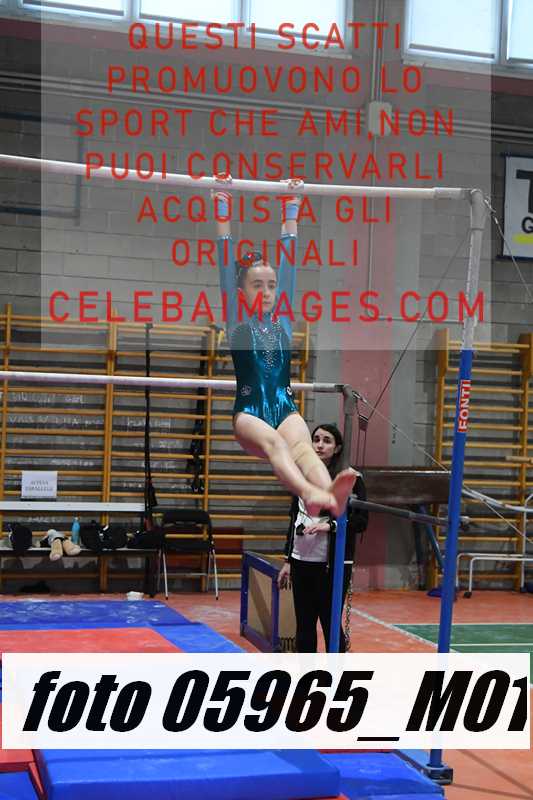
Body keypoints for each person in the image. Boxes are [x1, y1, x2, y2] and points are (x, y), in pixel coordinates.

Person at [211, 175, 355, 517]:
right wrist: (222, 204)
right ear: (240, 292)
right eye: (256, 285)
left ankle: (330, 496)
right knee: (277, 444)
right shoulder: (237, 320)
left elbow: (289, 267)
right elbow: (224, 261)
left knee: (303, 447)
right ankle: (309, 493)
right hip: (249, 414)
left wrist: (292, 208)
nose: (266, 292)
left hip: (284, 407)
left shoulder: (284, 318)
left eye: (271, 286)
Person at [277, 423, 368, 652]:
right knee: (304, 625)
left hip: (331, 566)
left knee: (330, 623)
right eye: (316, 439)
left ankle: (335, 671)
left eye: (326, 441)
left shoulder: (350, 478)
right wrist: (288, 560)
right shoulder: (300, 475)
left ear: (337, 448)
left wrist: (331, 526)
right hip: (301, 562)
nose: (319, 445)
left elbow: (361, 521)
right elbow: (294, 518)